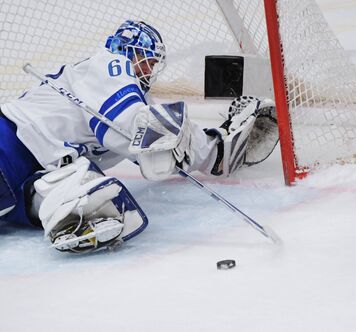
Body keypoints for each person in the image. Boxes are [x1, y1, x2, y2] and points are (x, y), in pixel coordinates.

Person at [0, 20, 278, 253]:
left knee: (82, 192)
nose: (149, 70)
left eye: (153, 64)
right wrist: (209, 150)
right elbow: (129, 126)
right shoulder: (109, 64)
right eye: (147, 60)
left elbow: (157, 145)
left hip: (18, 184)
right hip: (7, 146)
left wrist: (215, 151)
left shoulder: (131, 97)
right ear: (129, 51)